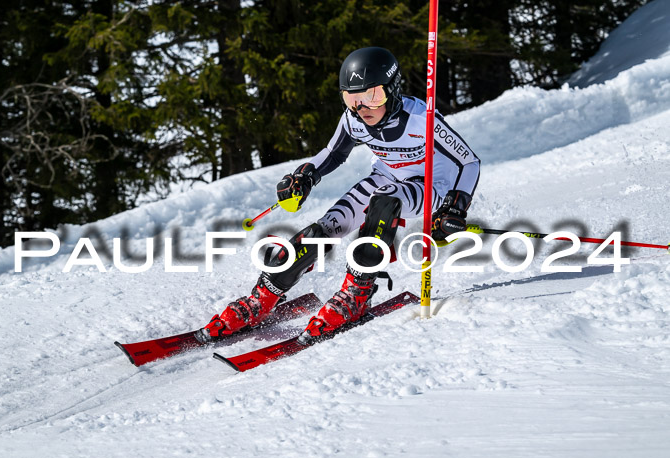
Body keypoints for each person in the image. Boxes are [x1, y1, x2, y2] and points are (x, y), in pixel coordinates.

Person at [196, 46, 480, 343]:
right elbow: (332, 154)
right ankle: (263, 297)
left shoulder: (422, 118)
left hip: (431, 186)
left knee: (384, 202)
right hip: (385, 178)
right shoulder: (353, 119)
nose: (363, 108)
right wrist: (304, 176)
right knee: (324, 227)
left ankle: (357, 294)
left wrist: (456, 207)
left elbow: (469, 162)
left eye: (373, 96)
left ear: (392, 90)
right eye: (352, 98)